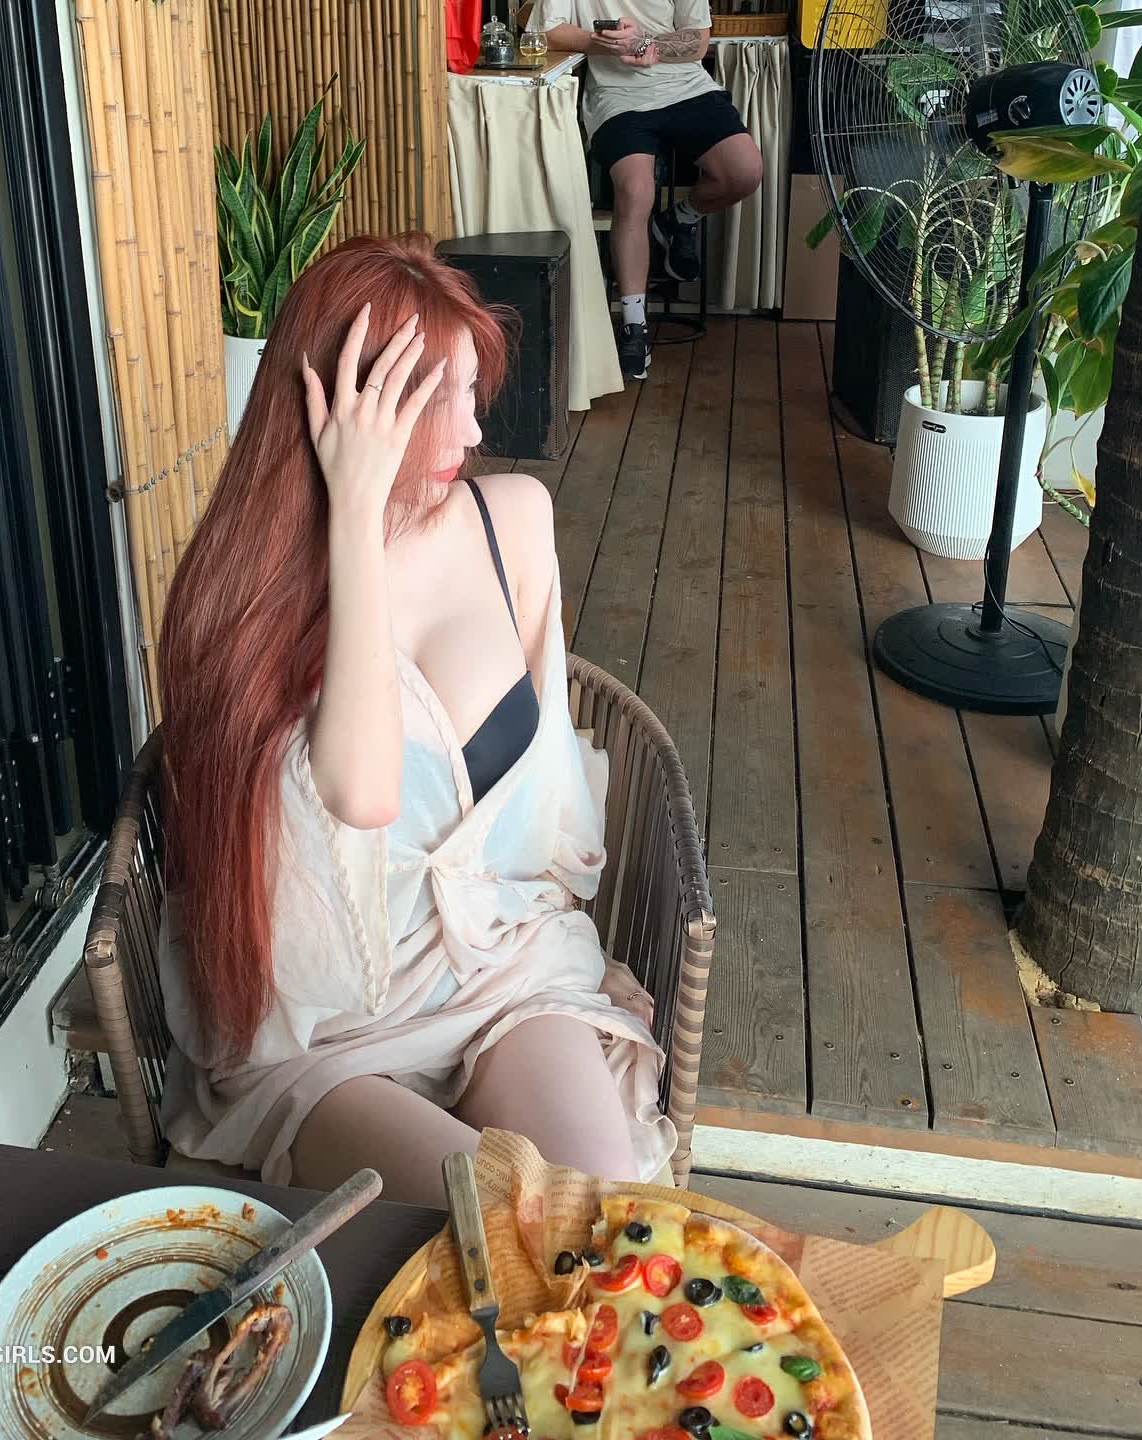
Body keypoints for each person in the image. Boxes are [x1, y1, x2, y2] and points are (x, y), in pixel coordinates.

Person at [155, 235, 674, 1207]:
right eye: (438, 404)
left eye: (474, 393)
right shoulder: (245, 601)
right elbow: (363, 794)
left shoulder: (512, 521)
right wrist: (353, 515)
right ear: (345, 412)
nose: (472, 432)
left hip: (505, 972)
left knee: (598, 1216)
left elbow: (541, 778)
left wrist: (565, 932)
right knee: (494, 1223)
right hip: (336, 1028)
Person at [539, 0, 764, 380]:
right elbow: (547, 32)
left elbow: (698, 42)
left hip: (688, 88)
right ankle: (633, 323)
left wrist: (647, 43)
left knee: (745, 171)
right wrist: (614, 44)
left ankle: (679, 219)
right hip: (617, 98)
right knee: (636, 192)